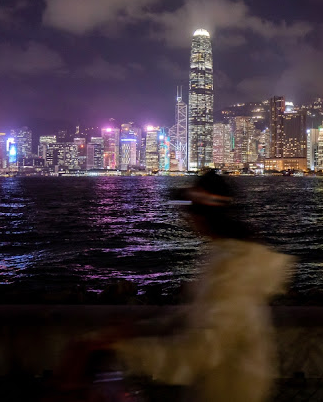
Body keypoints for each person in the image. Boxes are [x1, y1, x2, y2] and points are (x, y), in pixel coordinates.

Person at [114, 170, 295, 402]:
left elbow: (198, 354)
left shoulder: (234, 269)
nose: (185, 217)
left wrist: (124, 349)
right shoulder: (221, 255)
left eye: (189, 211)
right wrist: (140, 330)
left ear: (203, 216)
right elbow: (194, 316)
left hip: (231, 391)